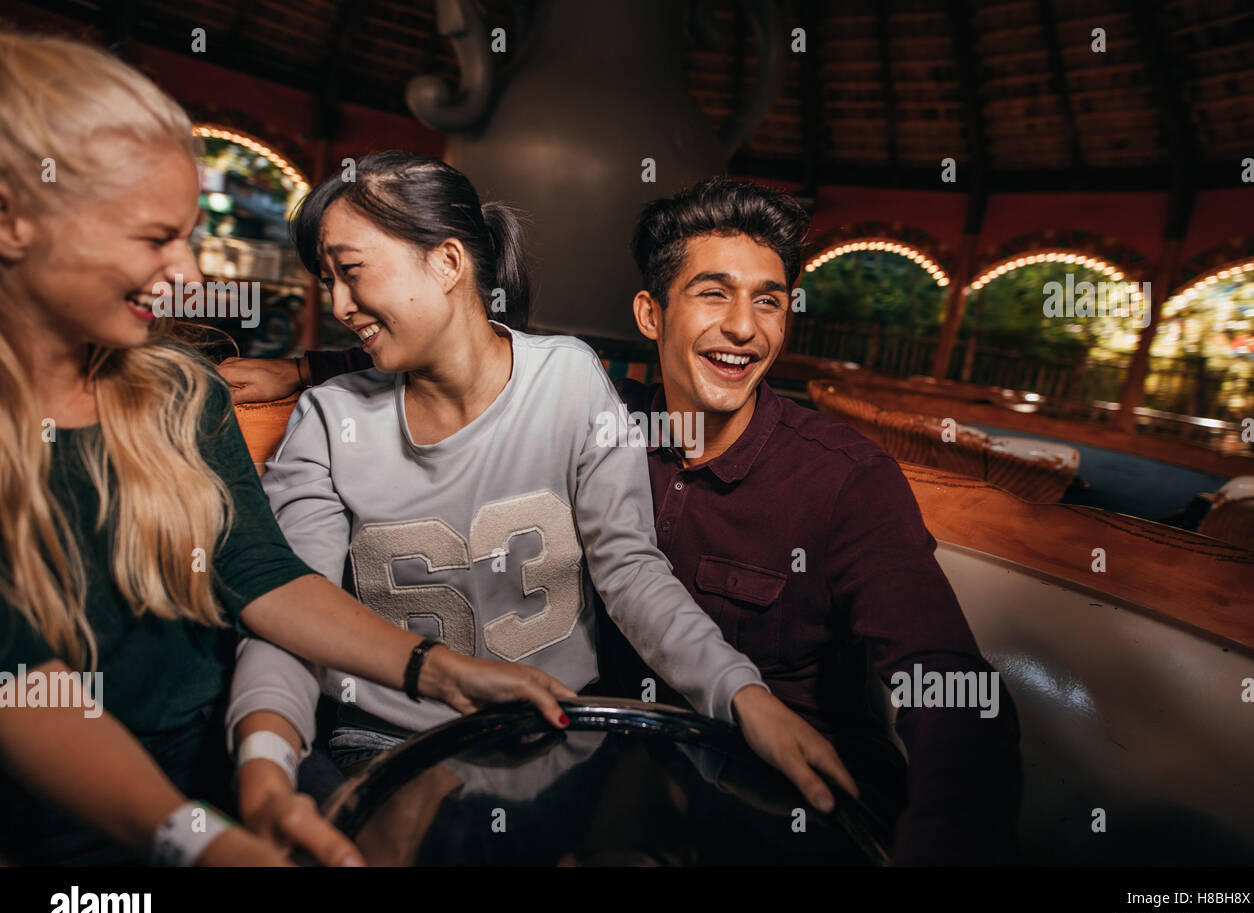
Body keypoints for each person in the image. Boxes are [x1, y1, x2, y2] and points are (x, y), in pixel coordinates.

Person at [239, 176, 1025, 865]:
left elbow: (950, 684)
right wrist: (307, 370)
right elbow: (462, 360)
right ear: (652, 314)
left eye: (771, 300)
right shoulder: (610, 419)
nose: (745, 328)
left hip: (793, 797)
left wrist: (944, 840)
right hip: (617, 770)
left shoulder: (844, 480)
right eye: (714, 294)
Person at [0, 31, 570, 868]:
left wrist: (444, 673)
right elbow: (20, 684)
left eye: (188, 235)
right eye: (154, 237)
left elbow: (260, 575)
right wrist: (194, 842)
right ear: (14, 219)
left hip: (214, 773)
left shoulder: (178, 391)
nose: (188, 274)